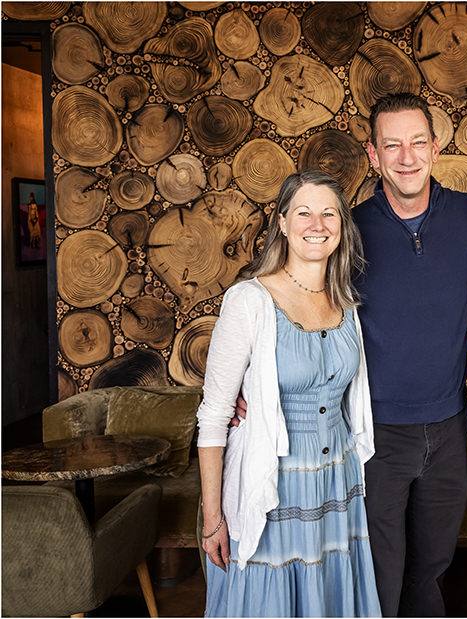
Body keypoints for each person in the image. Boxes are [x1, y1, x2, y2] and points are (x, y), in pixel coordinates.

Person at [197, 170, 381, 617]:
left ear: (341, 225)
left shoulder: (346, 302)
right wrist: (213, 517)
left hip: (336, 478)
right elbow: (215, 415)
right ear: (282, 222)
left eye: (328, 213)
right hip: (273, 482)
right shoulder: (249, 300)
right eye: (303, 212)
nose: (316, 224)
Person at [353, 93, 467, 616]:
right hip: (378, 433)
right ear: (373, 155)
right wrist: (251, 382)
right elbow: (293, 299)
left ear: (436, 147)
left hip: (451, 426)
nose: (406, 158)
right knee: (381, 572)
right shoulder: (349, 228)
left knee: (430, 573)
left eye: (416, 143)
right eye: (392, 146)